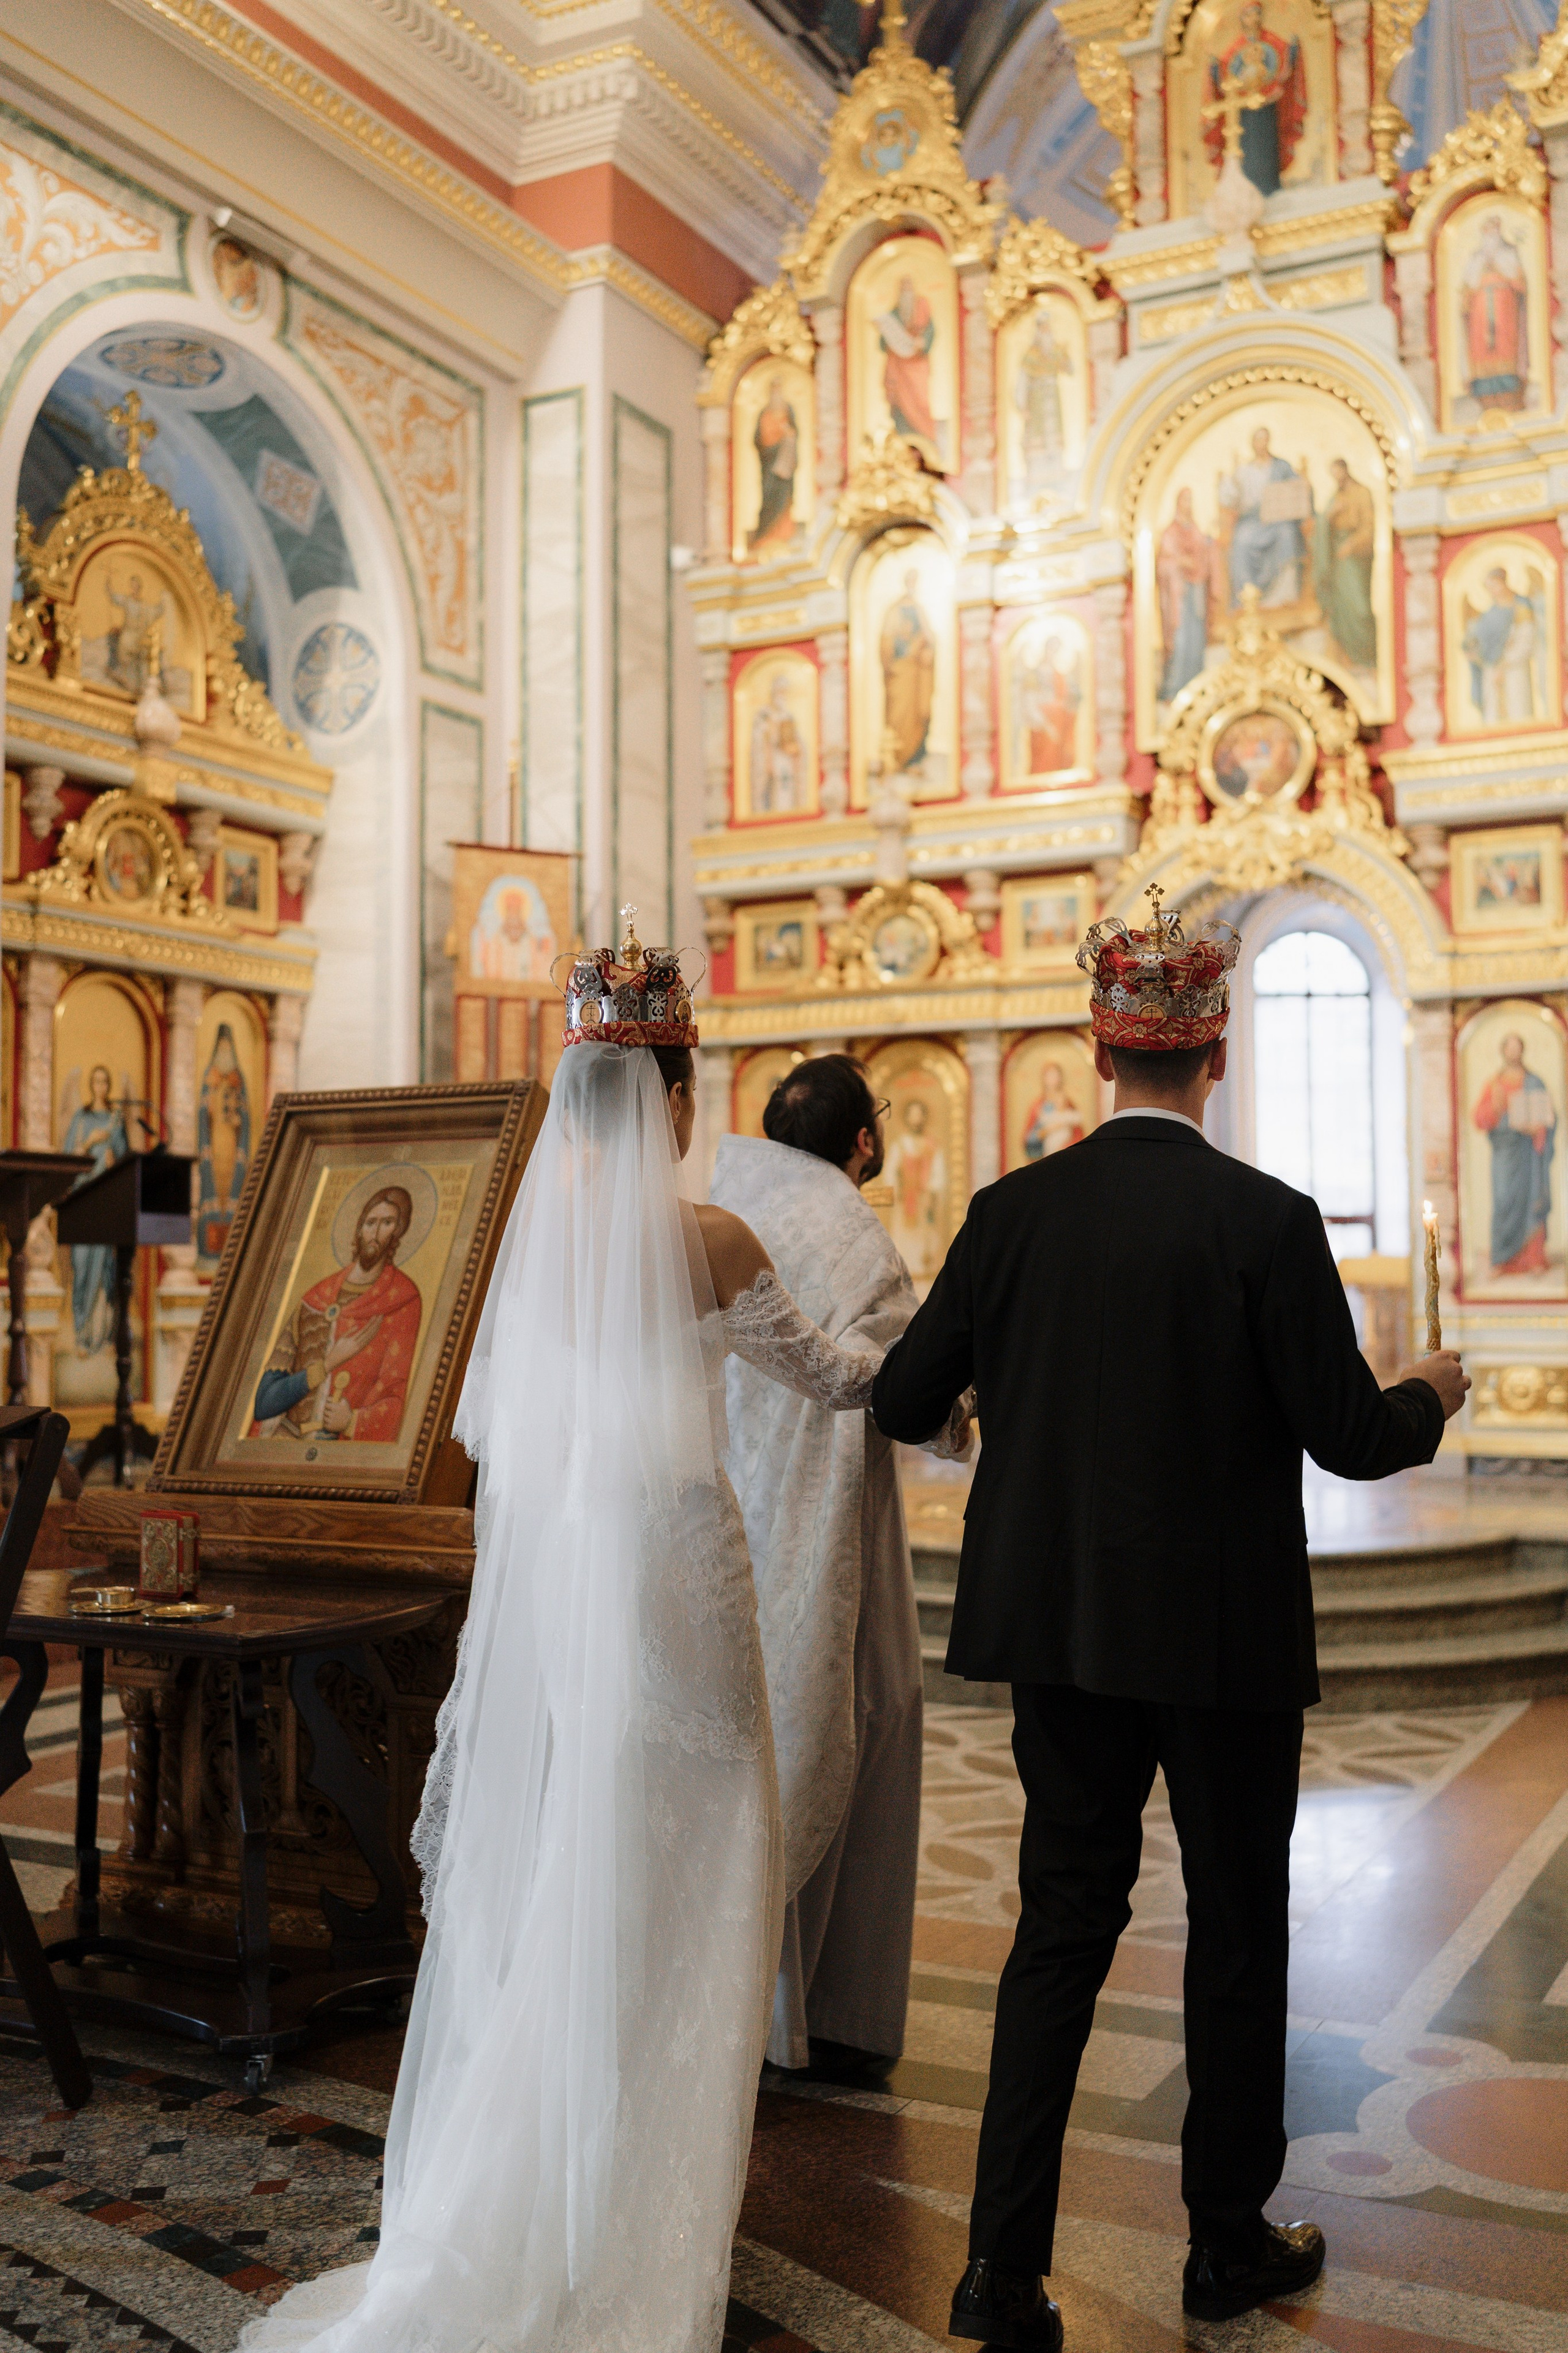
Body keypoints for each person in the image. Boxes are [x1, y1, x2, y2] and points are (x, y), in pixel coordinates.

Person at [239, 919, 887, 2353]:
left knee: (582, 1866)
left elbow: (492, 1435)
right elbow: (834, 1377)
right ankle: (641, 2221)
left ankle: (542, 2186)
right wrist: (940, 1344)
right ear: (669, 1094)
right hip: (683, 1573)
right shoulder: (710, 1235)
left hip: (581, 1571)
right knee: (706, 1854)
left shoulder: (522, 1253)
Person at [871, 886, 1469, 2346]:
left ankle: (996, 2268)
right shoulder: (1260, 1219)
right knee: (1234, 1927)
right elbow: (1347, 1434)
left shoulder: (1009, 1212)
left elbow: (896, 1397)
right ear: (1213, 1058)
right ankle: (1221, 2241)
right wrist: (1433, 1393)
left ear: (1094, 1049)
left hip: (1058, 1629)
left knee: (1056, 1928)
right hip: (1219, 1641)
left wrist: (996, 1413)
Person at [709, 1054, 971, 2079]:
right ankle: (831, 2012)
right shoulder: (852, 1233)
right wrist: (960, 1418)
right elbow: (893, 1383)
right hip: (826, 1525)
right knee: (864, 1711)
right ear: (864, 1141)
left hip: (727, 1515)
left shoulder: (723, 1203)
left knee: (743, 1738)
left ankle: (748, 2007)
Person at [252, 1187, 423, 1442]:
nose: (375, 1233)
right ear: (358, 1229)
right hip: (282, 1441)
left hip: (338, 1454)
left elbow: (397, 1395)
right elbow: (264, 1404)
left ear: (398, 1232)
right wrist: (327, 1365)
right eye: (370, 1223)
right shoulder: (316, 1299)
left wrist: (352, 1421)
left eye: (387, 1223)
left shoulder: (402, 1301)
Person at [1473, 1029, 1557, 1276]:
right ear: (1503, 1052)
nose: (1513, 1052)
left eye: (1517, 1047)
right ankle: (1501, 1260)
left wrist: (1538, 1128)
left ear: (1522, 1050)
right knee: (1504, 1202)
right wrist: (1497, 1110)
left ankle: (1533, 1261)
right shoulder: (1494, 1084)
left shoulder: (1534, 1082)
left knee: (1532, 1199)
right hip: (1505, 1153)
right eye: (1509, 1047)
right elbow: (1480, 1117)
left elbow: (1549, 1118)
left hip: (1529, 1155)